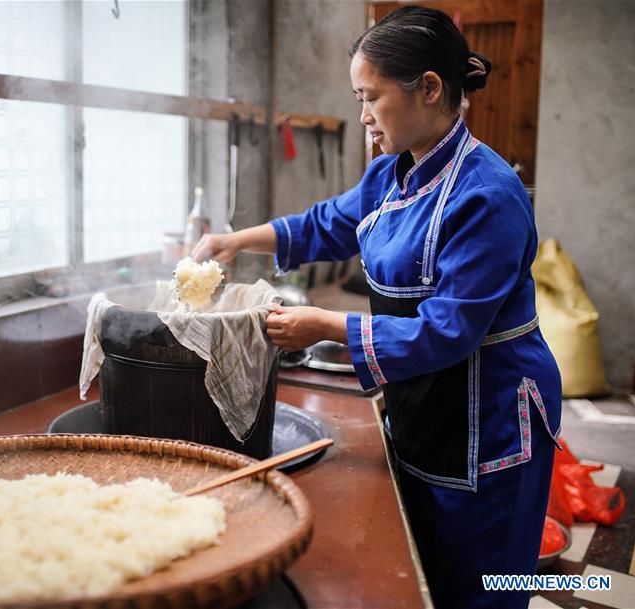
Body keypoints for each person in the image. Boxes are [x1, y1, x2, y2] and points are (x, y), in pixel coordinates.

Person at [192, 7, 562, 609]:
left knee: (484, 579)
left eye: (371, 97)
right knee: (427, 566)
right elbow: (329, 224)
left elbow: (448, 332)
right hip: (427, 399)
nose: (362, 115)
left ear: (431, 89)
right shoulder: (394, 173)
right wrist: (236, 240)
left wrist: (325, 325)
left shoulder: (487, 195)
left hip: (486, 413)